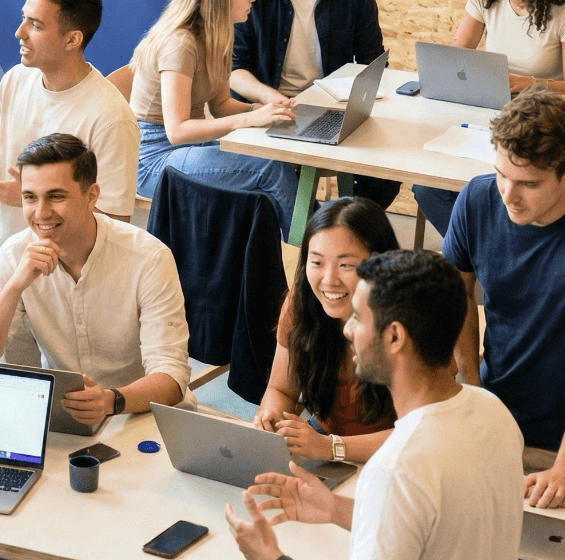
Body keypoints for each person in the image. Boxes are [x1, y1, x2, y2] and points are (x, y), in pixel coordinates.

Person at [226, 250, 524, 560]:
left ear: (394, 337)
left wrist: (269, 556)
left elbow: (402, 497)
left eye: (357, 317)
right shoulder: (494, 411)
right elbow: (436, 526)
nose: (347, 330)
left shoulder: (395, 469)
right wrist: (334, 508)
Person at [0, 133, 190, 424]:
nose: (41, 213)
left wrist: (110, 400)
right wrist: (15, 286)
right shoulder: (14, 255)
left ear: (91, 196)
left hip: (138, 411)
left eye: (56, 196)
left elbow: (171, 376)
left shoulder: (148, 258)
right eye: (30, 197)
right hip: (66, 418)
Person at [0, 0, 140, 248]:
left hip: (71, 270)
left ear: (72, 40)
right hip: (12, 261)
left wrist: (30, 198)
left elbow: (115, 222)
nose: (19, 32)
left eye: (35, 24)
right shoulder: (14, 80)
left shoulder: (112, 118)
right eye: (24, 18)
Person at [231, 0, 400, 212]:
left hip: (332, 109)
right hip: (270, 109)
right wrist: (272, 99)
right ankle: (317, 226)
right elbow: (235, 69)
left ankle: (342, 225)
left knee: (386, 176)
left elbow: (373, 63)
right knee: (276, 187)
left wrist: (357, 105)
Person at [443, 86, 565, 508]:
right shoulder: (478, 199)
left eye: (528, 183)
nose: (508, 196)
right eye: (502, 174)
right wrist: (471, 389)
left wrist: (563, 466)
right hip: (500, 402)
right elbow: (455, 294)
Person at [415, 0, 565, 235]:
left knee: (499, 185)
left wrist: (530, 84)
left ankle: (504, 242)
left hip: (543, 124)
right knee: (426, 188)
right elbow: (455, 57)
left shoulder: (561, 9)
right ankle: (481, 248)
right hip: (490, 115)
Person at [130, 0, 299, 237]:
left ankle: (307, 242)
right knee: (269, 168)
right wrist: (249, 120)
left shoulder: (219, 33)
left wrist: (262, 110)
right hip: (153, 160)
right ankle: (312, 249)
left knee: (273, 163)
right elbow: (177, 131)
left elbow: (220, 105)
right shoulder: (179, 44)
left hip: (190, 147)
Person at [254, 197, 398, 464]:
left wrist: (332, 447)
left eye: (346, 265)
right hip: (324, 441)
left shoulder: (412, 316)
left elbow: (423, 432)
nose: (329, 280)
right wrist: (271, 419)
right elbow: (281, 390)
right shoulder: (302, 303)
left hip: (398, 457)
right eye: (317, 262)